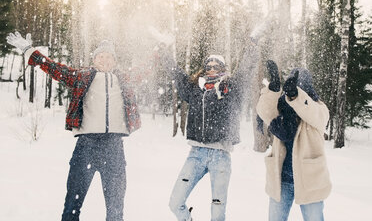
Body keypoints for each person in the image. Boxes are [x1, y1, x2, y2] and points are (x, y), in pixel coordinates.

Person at [6, 32, 141, 221]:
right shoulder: (83, 77)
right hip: (87, 146)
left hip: (114, 148)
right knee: (72, 205)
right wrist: (30, 51)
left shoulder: (123, 80)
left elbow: (148, 69)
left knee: (116, 210)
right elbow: (54, 69)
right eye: (101, 56)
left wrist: (164, 49)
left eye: (110, 56)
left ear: (115, 61)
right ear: (94, 60)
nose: (105, 60)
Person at [161, 41, 257, 221]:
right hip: (196, 153)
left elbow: (245, 71)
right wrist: (165, 52)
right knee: (175, 202)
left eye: (216, 65)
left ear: (222, 68)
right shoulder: (195, 89)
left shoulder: (230, 87)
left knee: (218, 211)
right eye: (208, 66)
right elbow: (178, 75)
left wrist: (252, 45)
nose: (211, 68)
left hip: (221, 155)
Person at [256, 60, 332, 221]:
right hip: (282, 179)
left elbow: (310, 111)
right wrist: (274, 89)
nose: (296, 90)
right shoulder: (281, 110)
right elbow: (264, 111)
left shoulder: (319, 109)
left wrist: (295, 96)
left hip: (310, 180)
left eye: (300, 87)